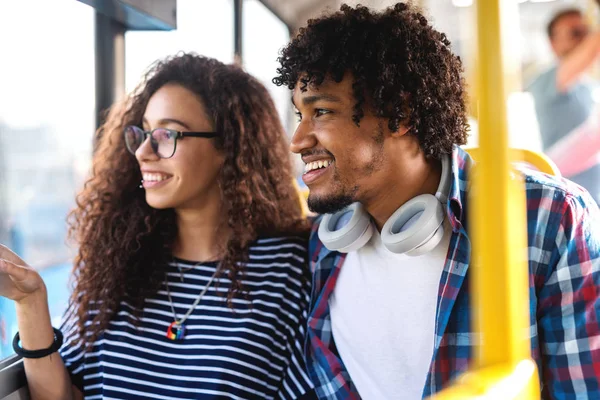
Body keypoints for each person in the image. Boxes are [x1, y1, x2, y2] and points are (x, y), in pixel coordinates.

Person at [273, 3, 600, 399]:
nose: (298, 141)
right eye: (299, 115)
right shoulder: (325, 244)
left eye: (321, 112)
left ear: (401, 111)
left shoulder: (549, 218)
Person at [0, 53, 315, 399]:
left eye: (167, 134)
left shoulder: (291, 267)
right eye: (144, 133)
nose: (143, 152)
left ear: (228, 144)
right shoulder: (115, 265)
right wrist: (31, 302)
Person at [528, 8, 600, 203]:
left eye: (587, 32)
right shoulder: (545, 81)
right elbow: (593, 48)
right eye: (575, 33)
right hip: (566, 202)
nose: (585, 39)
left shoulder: (588, 84)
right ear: (553, 43)